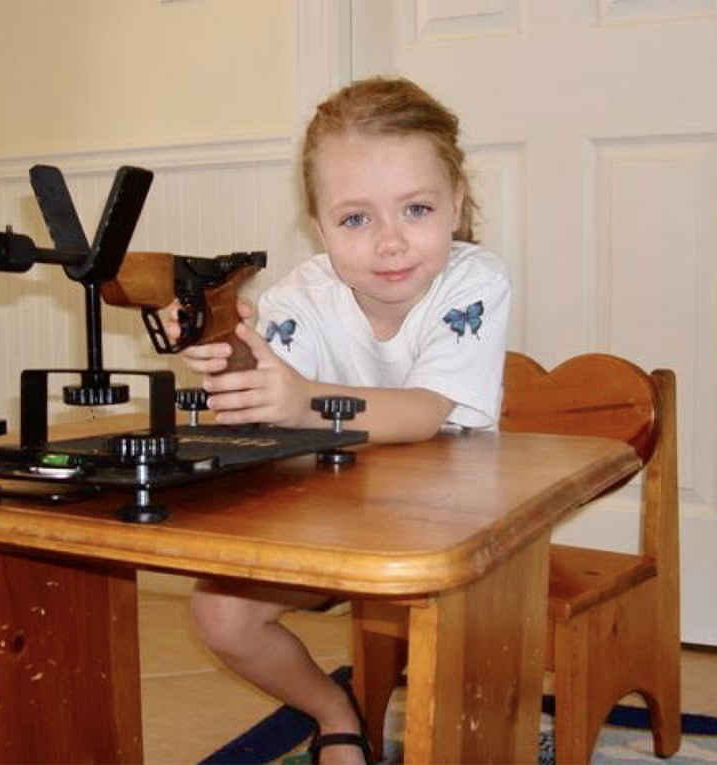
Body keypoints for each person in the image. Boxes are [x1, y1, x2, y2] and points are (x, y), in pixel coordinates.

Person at [165, 77, 510, 765]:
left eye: (415, 209)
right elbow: (269, 396)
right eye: (355, 219)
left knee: (461, 690)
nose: (389, 243)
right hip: (335, 525)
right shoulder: (306, 294)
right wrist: (225, 346)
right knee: (220, 612)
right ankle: (333, 709)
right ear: (319, 226)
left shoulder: (474, 282)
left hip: (453, 535)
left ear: (456, 205)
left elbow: (422, 412)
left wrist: (303, 401)